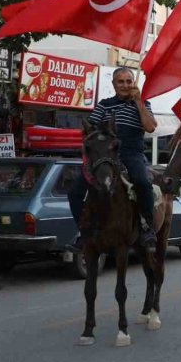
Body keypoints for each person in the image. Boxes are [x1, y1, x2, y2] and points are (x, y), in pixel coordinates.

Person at [69, 67, 157, 246]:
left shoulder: (144, 103)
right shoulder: (105, 104)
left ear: (134, 83)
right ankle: (83, 230)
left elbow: (150, 127)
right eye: (121, 81)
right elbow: (90, 130)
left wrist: (138, 102)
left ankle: (148, 227)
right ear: (114, 84)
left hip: (131, 154)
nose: (125, 85)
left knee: (142, 182)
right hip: (105, 156)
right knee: (75, 192)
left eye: (129, 81)